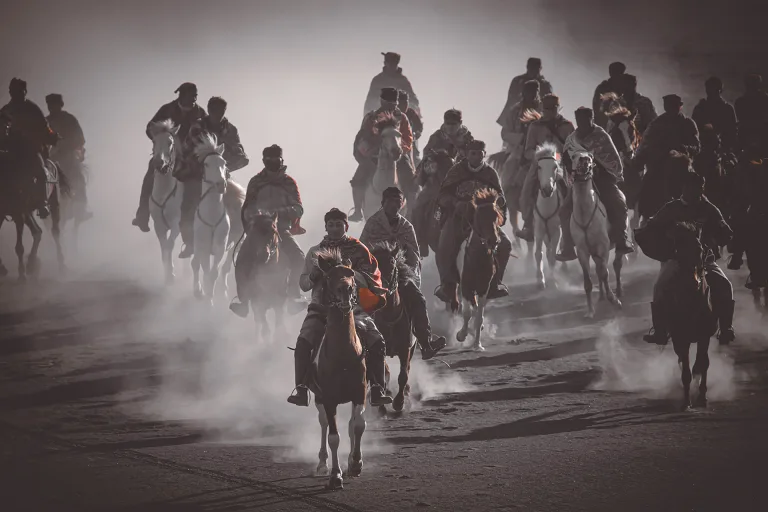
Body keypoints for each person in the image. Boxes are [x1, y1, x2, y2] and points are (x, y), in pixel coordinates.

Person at [287, 208, 393, 408]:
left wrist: (346, 274)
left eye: (339, 224)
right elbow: (303, 284)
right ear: (326, 227)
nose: (335, 228)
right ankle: (301, 388)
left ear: (346, 226)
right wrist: (314, 276)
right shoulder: (314, 252)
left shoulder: (359, 249)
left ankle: (378, 387)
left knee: (377, 341)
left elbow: (372, 277)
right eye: (331, 225)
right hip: (321, 308)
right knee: (303, 343)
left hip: (354, 309)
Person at [640, 171, 735, 346]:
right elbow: (652, 227)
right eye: (691, 187)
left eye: (698, 188)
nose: (694, 191)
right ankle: (660, 331)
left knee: (724, 285)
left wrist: (716, 238)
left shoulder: (708, 209)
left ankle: (726, 328)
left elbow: (726, 232)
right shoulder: (671, 208)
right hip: (675, 260)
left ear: (702, 189)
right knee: (659, 287)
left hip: (705, 260)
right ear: (684, 187)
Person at [359, 186, 447, 360]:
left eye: (398, 202)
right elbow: (363, 250)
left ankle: (425, 342)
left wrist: (409, 275)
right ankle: (356, 343)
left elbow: (414, 253)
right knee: (357, 303)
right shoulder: (372, 224)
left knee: (419, 300)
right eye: (391, 201)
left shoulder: (406, 226)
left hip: (400, 274)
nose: (395, 205)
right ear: (383, 202)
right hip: (376, 275)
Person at [230, 144, 305, 318]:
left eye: (276, 159)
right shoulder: (256, 182)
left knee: (298, 257)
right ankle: (243, 300)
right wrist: (254, 217)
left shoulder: (289, 182)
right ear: (264, 161)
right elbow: (246, 207)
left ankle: (294, 294)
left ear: (281, 160)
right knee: (241, 259)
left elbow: (299, 208)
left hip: (281, 229)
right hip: (257, 230)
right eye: (269, 160)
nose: (273, 163)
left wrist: (280, 212)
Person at [434, 140, 513, 304]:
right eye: (473, 153)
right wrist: (456, 203)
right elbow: (442, 195)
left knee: (505, 244)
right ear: (467, 154)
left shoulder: (490, 173)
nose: (476, 156)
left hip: (484, 219)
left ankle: (494, 284)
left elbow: (501, 198)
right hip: (459, 216)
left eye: (480, 153)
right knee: (444, 244)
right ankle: (447, 285)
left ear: (485, 154)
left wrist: (496, 209)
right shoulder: (456, 171)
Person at [175, 96, 250, 258]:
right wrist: (199, 167)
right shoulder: (198, 126)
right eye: (214, 111)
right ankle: (189, 243)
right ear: (209, 110)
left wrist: (225, 167)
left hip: (222, 172)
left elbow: (239, 154)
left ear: (224, 111)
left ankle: (238, 239)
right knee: (188, 204)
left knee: (238, 203)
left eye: (221, 111)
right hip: (197, 173)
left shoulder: (231, 129)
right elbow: (188, 150)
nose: (218, 114)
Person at [557, 107, 634, 260]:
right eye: (580, 121)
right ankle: (567, 246)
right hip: (579, 182)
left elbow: (613, 159)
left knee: (618, 204)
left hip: (603, 180)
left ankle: (621, 239)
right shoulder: (572, 139)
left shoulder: (601, 136)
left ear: (591, 119)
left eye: (586, 120)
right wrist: (571, 171)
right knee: (564, 210)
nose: (583, 124)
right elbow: (566, 160)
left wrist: (602, 170)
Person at [132, 82, 206, 232]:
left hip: (189, 157)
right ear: (180, 95)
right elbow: (150, 127)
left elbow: (206, 134)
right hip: (166, 153)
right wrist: (159, 141)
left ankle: (197, 220)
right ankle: (143, 214)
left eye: (194, 96)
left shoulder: (200, 113)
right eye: (189, 95)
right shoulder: (167, 109)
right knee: (150, 176)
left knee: (202, 180)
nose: (192, 99)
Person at [514, 94, 575, 243]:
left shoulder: (567, 126)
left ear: (558, 108)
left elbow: (574, 148)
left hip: (561, 164)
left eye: (553, 108)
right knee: (527, 188)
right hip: (540, 163)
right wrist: (539, 156)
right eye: (547, 109)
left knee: (574, 190)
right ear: (542, 108)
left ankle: (572, 227)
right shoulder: (535, 126)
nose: (550, 112)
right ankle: (529, 224)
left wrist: (563, 157)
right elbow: (528, 150)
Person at [350, 87, 414, 223]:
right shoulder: (371, 117)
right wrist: (370, 150)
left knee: (411, 179)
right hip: (375, 155)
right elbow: (362, 136)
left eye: (394, 103)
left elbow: (408, 138)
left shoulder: (402, 118)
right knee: (358, 179)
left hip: (398, 155)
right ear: (381, 101)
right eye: (388, 102)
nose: (391, 105)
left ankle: (412, 211)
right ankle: (357, 211)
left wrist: (400, 148)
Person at [635, 94, 700, 219]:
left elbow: (696, 147)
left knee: (695, 190)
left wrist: (683, 149)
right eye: (669, 106)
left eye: (673, 106)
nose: (671, 109)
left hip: (681, 167)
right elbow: (645, 144)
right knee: (646, 191)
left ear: (679, 107)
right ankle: (644, 219)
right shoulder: (656, 124)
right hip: (658, 166)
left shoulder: (687, 123)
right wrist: (639, 160)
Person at [1, 78, 57, 219]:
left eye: (18, 91)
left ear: (24, 91)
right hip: (9, 151)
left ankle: (42, 203)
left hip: (30, 151)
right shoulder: (5, 110)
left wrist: (50, 136)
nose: (15, 93)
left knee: (41, 173)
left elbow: (44, 128)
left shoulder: (32, 109)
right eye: (13, 91)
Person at [45, 93, 92, 222]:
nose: (51, 107)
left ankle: (81, 210)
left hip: (68, 156)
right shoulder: (45, 122)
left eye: (53, 104)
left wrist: (65, 145)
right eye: (49, 105)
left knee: (79, 179)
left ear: (60, 105)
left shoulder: (69, 119)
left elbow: (80, 139)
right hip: (50, 159)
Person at [497, 57, 553, 127]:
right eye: (532, 68)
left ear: (540, 68)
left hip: (537, 114)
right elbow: (511, 99)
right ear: (527, 67)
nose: (533, 70)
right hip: (518, 113)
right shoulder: (518, 81)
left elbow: (550, 102)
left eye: (535, 68)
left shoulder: (544, 84)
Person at [691, 77, 738, 157]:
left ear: (719, 90)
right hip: (703, 148)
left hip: (722, 149)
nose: (709, 92)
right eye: (708, 89)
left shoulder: (727, 108)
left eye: (712, 89)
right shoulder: (701, 107)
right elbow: (693, 128)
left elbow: (732, 131)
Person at [363, 52, 420, 117]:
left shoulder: (403, 80)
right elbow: (370, 100)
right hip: (380, 116)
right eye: (390, 63)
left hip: (400, 115)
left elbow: (413, 99)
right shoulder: (377, 80)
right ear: (385, 63)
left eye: (394, 64)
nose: (392, 66)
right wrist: (367, 116)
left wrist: (411, 108)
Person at [734, 74, 768, 156]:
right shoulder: (765, 99)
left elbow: (740, 118)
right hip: (762, 135)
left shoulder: (740, 101)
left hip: (746, 136)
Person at [593, 62, 627, 129]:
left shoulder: (625, 88)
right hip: (605, 122)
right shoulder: (602, 88)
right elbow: (597, 107)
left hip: (621, 122)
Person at [398, 90, 423, 165]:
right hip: (394, 143)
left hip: (409, 143)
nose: (405, 105)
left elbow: (419, 127)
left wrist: (415, 134)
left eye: (406, 102)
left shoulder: (411, 113)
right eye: (402, 103)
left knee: (416, 163)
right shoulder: (392, 113)